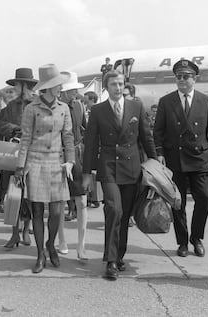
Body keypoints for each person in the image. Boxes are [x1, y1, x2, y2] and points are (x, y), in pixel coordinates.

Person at [82, 70, 156, 281]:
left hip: (132, 169)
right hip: (109, 167)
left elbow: (146, 136)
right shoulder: (98, 111)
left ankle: (119, 255)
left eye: (120, 83)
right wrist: (87, 173)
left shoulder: (136, 106)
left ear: (125, 86)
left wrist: (155, 160)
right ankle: (111, 260)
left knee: (124, 216)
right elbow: (90, 145)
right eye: (113, 84)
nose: (117, 87)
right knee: (114, 209)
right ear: (106, 87)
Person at [153, 59, 208, 258]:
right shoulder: (166, 101)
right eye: (179, 77)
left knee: (204, 198)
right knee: (178, 203)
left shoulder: (205, 101)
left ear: (194, 79)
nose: (182, 80)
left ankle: (196, 237)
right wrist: (159, 154)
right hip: (176, 158)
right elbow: (158, 132)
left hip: (199, 157)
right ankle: (182, 242)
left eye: (186, 76)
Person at [15, 64, 74, 273]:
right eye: (57, 85)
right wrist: (20, 167)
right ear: (48, 87)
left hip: (57, 164)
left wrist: (71, 160)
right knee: (37, 210)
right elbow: (25, 139)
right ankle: (40, 253)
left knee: (57, 211)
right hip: (35, 162)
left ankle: (51, 243)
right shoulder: (31, 109)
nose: (61, 88)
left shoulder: (64, 108)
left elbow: (68, 136)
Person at [0, 68, 37, 248]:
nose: (20, 88)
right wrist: (14, 129)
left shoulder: (36, 105)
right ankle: (14, 233)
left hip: (32, 155)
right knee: (13, 196)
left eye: (21, 85)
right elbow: (1, 126)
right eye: (18, 85)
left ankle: (26, 229)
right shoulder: (10, 107)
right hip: (13, 154)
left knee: (30, 196)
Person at [57, 71, 89, 259]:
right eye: (71, 90)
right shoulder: (58, 108)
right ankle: (61, 240)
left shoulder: (78, 106)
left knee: (82, 200)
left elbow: (83, 129)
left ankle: (81, 245)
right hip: (59, 156)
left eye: (75, 90)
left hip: (78, 155)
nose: (74, 93)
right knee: (60, 202)